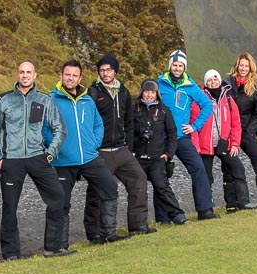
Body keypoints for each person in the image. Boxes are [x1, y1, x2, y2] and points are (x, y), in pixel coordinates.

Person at [0, 61, 69, 260]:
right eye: (21, 72)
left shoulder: (44, 100)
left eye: (28, 72)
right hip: (11, 160)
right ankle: (11, 254)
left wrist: (50, 154)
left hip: (38, 158)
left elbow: (60, 129)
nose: (25, 76)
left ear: (35, 75)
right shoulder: (3, 100)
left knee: (58, 197)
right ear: (17, 74)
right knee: (10, 207)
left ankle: (53, 248)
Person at [49, 60, 121, 251]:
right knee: (61, 201)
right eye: (67, 74)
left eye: (74, 75)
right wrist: (56, 147)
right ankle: (60, 246)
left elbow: (98, 124)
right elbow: (43, 129)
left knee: (110, 187)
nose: (70, 78)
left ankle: (108, 235)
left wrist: (94, 143)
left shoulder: (87, 100)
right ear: (61, 76)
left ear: (80, 78)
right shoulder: (51, 100)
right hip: (63, 160)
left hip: (89, 157)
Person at [85, 54, 155, 241]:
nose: (105, 73)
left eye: (108, 69)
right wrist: (92, 148)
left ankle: (138, 225)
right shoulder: (93, 92)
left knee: (139, 178)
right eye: (102, 70)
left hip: (121, 149)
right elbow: (87, 123)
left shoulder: (123, 92)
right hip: (100, 151)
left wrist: (129, 146)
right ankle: (95, 234)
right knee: (96, 192)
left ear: (115, 71)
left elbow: (129, 121)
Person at [156, 50, 219, 220]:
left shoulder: (191, 86)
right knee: (160, 174)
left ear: (184, 67)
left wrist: (195, 126)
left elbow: (207, 106)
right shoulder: (159, 84)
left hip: (182, 137)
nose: (177, 68)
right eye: (174, 65)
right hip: (162, 138)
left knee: (198, 169)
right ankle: (163, 217)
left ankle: (205, 210)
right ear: (170, 66)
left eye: (180, 65)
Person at [131, 79, 187, 225]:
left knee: (162, 186)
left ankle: (177, 215)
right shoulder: (133, 109)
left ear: (157, 94)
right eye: (146, 91)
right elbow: (127, 132)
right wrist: (129, 153)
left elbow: (172, 134)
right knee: (138, 190)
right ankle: (139, 223)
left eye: (152, 92)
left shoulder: (164, 110)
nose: (149, 95)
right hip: (137, 157)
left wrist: (169, 154)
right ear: (141, 92)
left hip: (157, 157)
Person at [196, 70, 250, 213]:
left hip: (224, 143)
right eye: (209, 80)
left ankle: (241, 202)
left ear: (220, 81)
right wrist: (195, 145)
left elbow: (236, 123)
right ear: (205, 83)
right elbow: (193, 123)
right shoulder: (199, 98)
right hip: (205, 145)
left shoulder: (227, 97)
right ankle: (206, 209)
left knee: (237, 168)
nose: (213, 82)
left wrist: (234, 144)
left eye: (215, 79)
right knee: (206, 177)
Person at [227, 52, 257, 209]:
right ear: (237, 65)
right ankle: (233, 203)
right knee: (230, 167)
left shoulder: (256, 86)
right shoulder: (227, 84)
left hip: (246, 130)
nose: (243, 68)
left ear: (251, 67)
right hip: (230, 132)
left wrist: (251, 131)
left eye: (246, 65)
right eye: (241, 65)